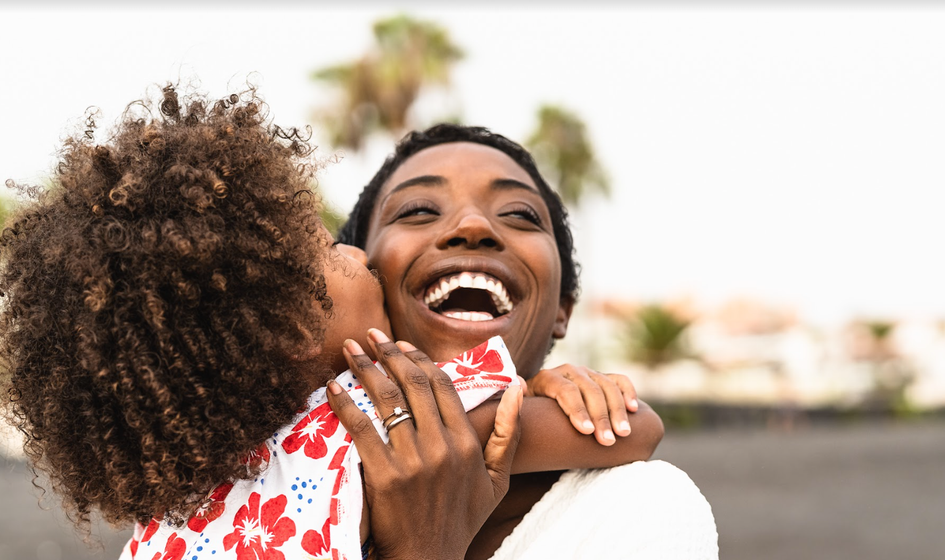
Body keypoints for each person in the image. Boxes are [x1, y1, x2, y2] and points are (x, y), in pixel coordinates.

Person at [0, 86, 662, 560]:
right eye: (325, 252)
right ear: (286, 330)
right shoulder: (373, 421)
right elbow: (626, 429)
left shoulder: (173, 523)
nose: (351, 253)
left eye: (519, 214)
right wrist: (555, 391)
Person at [337, 123, 720, 559]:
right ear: (357, 281)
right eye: (419, 209)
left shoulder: (639, 507)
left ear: (563, 309)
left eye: (519, 214)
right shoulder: (258, 457)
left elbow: (637, 428)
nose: (473, 225)